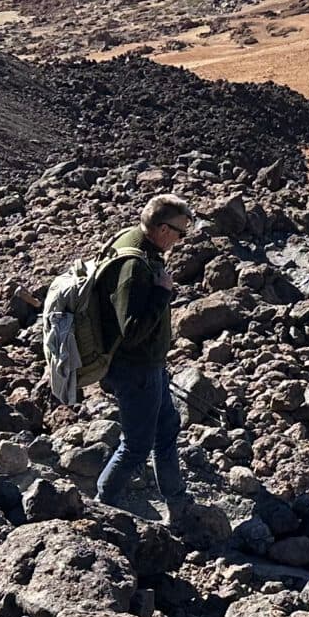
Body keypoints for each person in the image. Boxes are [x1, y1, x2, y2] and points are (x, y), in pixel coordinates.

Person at [93, 194, 194, 515]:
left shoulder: (134, 239)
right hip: (135, 370)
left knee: (167, 427)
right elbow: (132, 331)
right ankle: (103, 503)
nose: (181, 239)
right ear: (163, 229)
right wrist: (162, 293)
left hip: (149, 367)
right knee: (136, 446)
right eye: (181, 232)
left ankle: (176, 496)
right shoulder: (135, 267)